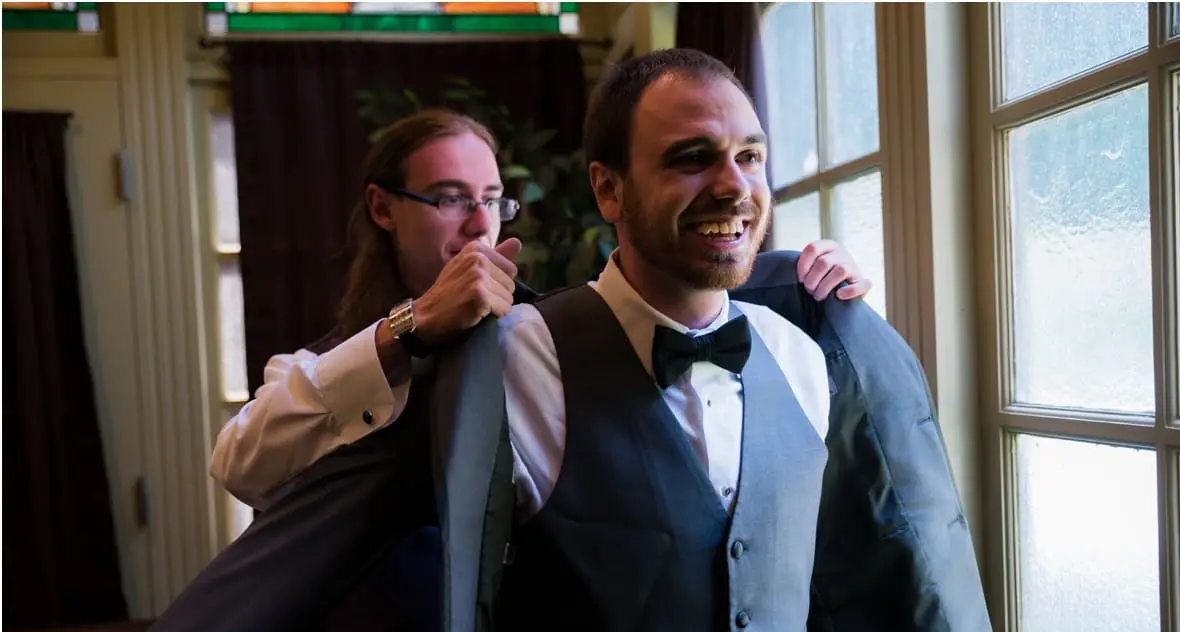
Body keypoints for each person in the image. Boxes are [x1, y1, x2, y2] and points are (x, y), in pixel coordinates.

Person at [22, 51, 1007, 632]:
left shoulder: (803, 350)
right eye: (450, 198)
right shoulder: (502, 363)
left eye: (749, 156)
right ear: (608, 191)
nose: (476, 223)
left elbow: (872, 549)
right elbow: (252, 507)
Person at [209, 108, 871, 510]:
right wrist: (406, 333)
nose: (478, 225)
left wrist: (811, 281)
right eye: (448, 198)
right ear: (383, 208)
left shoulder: (554, 338)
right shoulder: (339, 359)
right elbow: (240, 466)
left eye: (492, 199)